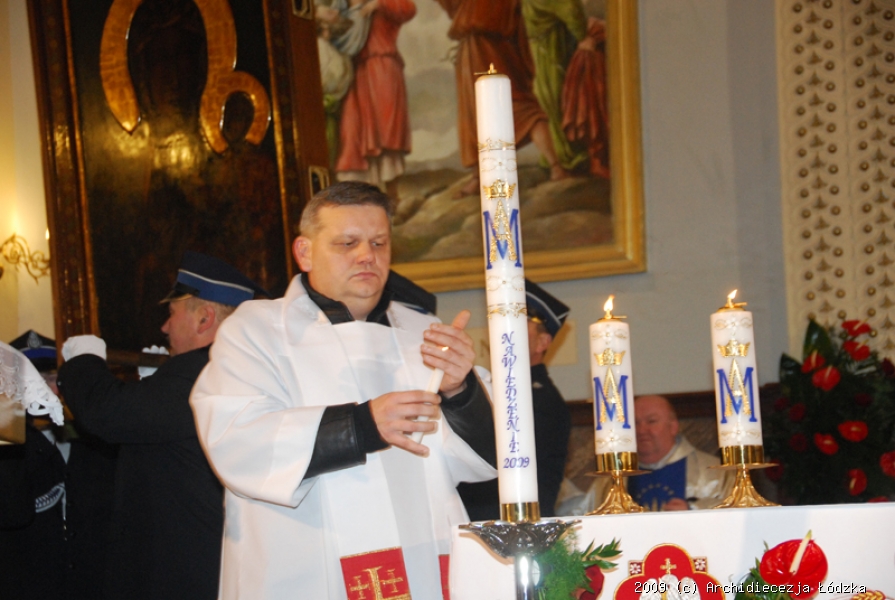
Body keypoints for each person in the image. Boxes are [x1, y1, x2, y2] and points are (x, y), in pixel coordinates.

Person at [190, 181, 497, 600]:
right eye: (347, 243)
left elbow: (487, 459)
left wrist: (461, 390)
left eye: (379, 243)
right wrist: (362, 425)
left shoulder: (425, 334)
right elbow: (236, 439)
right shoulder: (257, 330)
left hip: (421, 558)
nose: (367, 256)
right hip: (306, 567)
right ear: (305, 252)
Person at [56, 252, 267, 600]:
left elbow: (106, 413)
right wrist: (151, 386)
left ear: (204, 319)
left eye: (172, 314)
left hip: (183, 575)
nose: (165, 327)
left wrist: (83, 361)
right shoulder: (230, 368)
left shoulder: (198, 373)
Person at [458, 279, 571, 519]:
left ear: (543, 342)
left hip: (516, 524)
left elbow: (491, 459)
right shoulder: (492, 386)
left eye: (518, 319)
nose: (505, 327)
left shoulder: (540, 399)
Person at [563, 395, 733, 514]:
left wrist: (693, 510)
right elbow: (585, 517)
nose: (641, 430)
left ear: (673, 427)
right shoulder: (612, 479)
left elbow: (735, 512)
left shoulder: (714, 472)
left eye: (651, 421)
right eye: (635, 423)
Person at [335, 0, 416, 199]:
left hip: (383, 68)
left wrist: (379, 4)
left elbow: (408, 9)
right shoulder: (347, 6)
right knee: (356, 132)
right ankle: (367, 197)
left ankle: (392, 194)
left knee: (385, 131)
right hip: (358, 71)